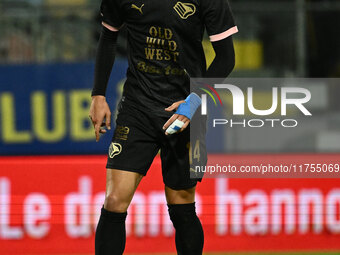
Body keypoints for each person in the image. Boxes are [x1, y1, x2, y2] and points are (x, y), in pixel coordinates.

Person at [89, 0, 237, 254]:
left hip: (186, 108)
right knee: (114, 201)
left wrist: (193, 102)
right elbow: (108, 37)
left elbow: (226, 58)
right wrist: (98, 95)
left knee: (181, 206)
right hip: (137, 107)